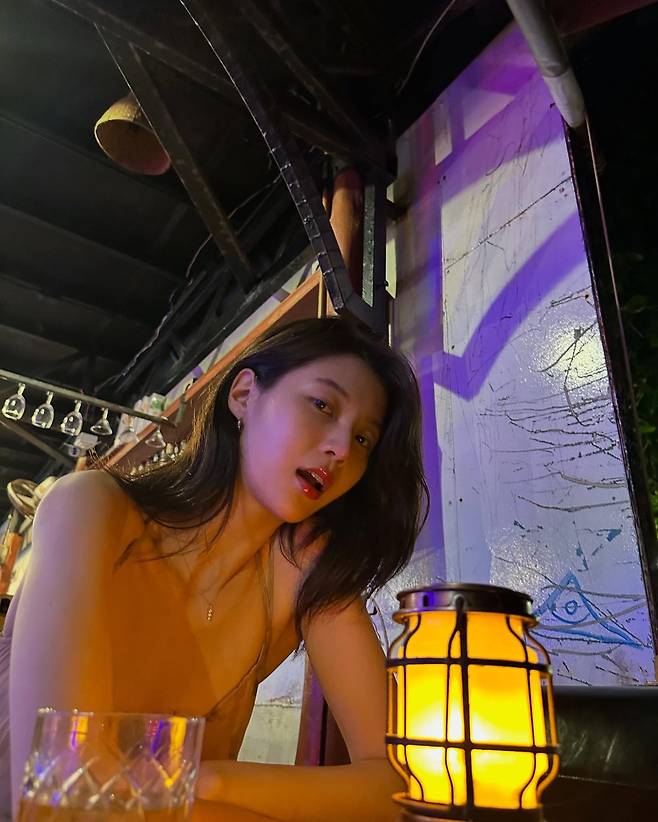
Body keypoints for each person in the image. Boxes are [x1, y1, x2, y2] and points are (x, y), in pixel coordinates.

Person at [0, 316, 428, 821]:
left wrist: (201, 778)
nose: (339, 447)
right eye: (322, 405)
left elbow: (393, 787)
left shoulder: (304, 569)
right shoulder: (92, 507)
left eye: (363, 440)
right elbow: (61, 793)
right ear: (244, 395)